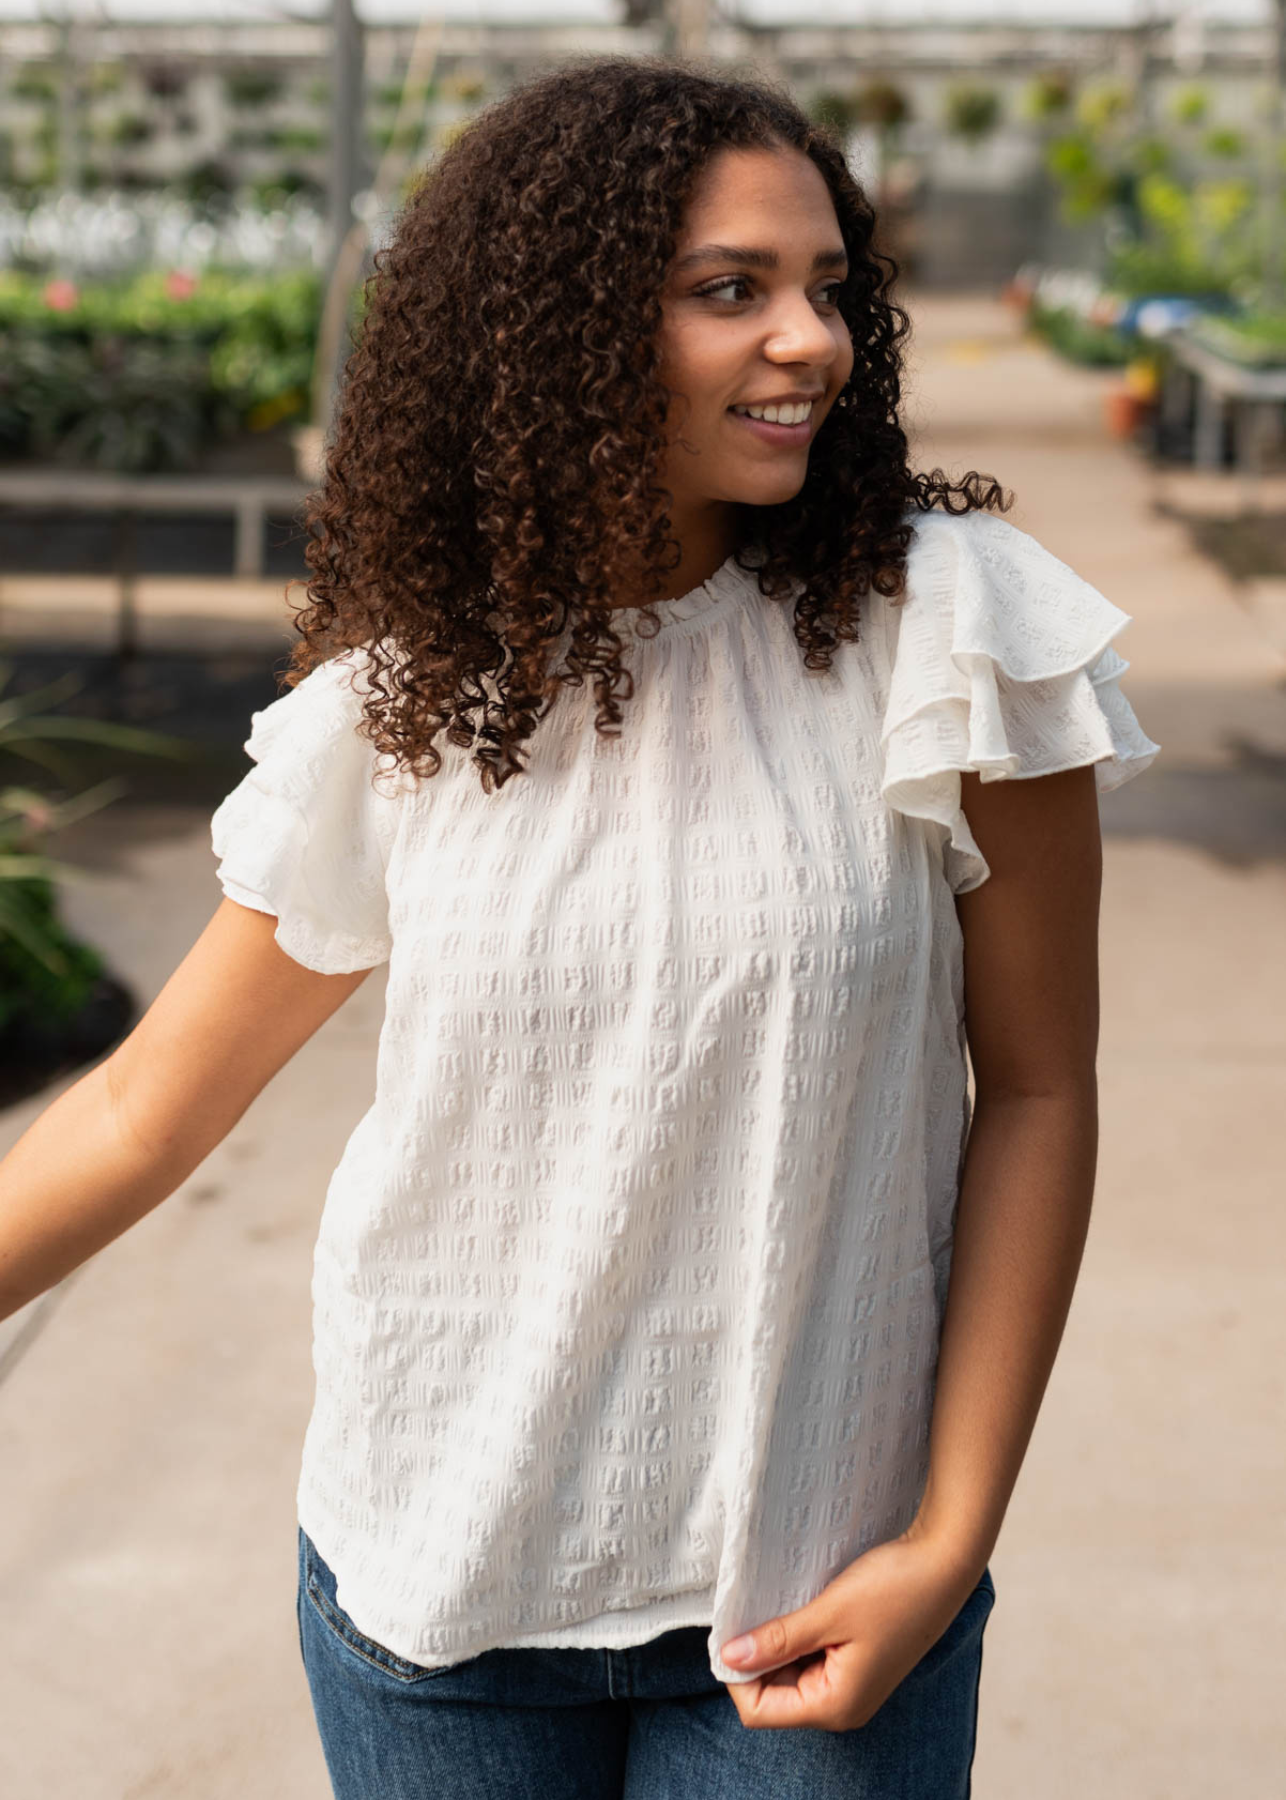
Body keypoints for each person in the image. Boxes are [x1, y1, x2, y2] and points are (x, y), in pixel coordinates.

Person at [0, 54, 1161, 1800]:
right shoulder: (399, 707)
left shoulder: (947, 638)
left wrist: (947, 1530)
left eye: (826, 288)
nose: (812, 343)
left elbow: (1040, 1095)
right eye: (729, 293)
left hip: (811, 1585)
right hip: (432, 1598)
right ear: (551, 333)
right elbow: (143, 1110)